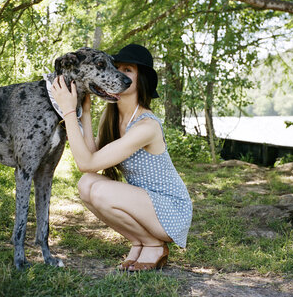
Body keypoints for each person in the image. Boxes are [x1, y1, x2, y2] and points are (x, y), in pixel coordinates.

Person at [50, 44, 192, 271]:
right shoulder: (113, 118)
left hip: (171, 211)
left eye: (128, 70)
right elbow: (89, 165)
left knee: (99, 190)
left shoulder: (146, 125)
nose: (118, 74)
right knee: (87, 184)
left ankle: (154, 244)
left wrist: (68, 112)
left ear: (141, 80)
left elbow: (85, 162)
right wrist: (84, 111)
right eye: (116, 68)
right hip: (145, 205)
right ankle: (140, 242)